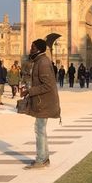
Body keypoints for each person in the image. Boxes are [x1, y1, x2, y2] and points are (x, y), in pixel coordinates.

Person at [20, 39, 61, 169]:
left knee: (39, 130)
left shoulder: (42, 62)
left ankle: (41, 160)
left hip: (43, 102)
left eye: (32, 47)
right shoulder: (40, 61)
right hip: (42, 100)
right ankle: (44, 158)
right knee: (41, 130)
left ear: (38, 49)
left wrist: (29, 91)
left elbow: (47, 85)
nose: (30, 50)